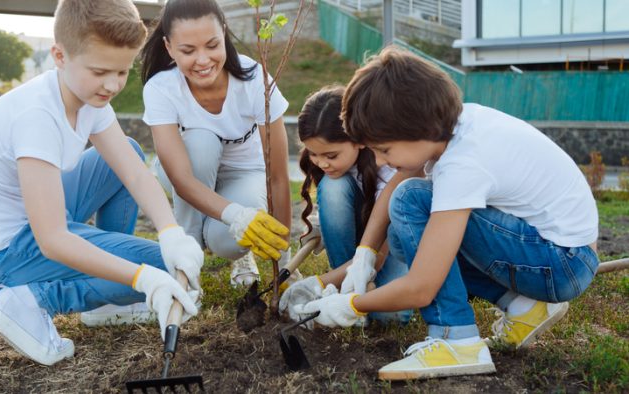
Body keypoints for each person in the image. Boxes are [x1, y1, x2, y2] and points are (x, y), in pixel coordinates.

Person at [289, 47, 599, 380]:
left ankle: (456, 338)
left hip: (562, 262)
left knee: (412, 202)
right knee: (399, 228)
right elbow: (396, 185)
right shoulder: (456, 126)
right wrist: (365, 254)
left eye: (384, 149)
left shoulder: (462, 164)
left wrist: (350, 305)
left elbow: (422, 286)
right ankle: (523, 305)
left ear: (413, 128)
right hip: (561, 255)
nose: (379, 161)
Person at [0, 0, 202, 366]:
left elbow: (132, 171)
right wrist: (142, 279)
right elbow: (53, 240)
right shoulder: (37, 116)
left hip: (32, 221)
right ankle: (32, 299)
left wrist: (170, 232)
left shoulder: (89, 98)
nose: (113, 85)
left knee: (128, 153)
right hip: (0, 253)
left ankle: (101, 303)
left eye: (122, 72)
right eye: (101, 71)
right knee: (167, 274)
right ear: (59, 55)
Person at [140, 0, 292, 287]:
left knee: (229, 242)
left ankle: (239, 256)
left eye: (212, 45)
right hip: (188, 171)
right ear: (169, 48)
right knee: (200, 141)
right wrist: (235, 215)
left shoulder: (255, 81)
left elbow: (279, 177)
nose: (203, 60)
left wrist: (283, 259)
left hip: (244, 175)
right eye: (188, 50)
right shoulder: (161, 88)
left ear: (224, 33)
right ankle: (187, 259)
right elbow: (181, 178)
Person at [278, 86, 411, 326]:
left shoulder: (390, 167)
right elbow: (339, 192)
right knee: (333, 185)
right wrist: (325, 219)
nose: (321, 163)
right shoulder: (333, 170)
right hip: (360, 241)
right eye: (314, 154)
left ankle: (344, 286)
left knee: (389, 318)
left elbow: (377, 257)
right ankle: (343, 287)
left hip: (393, 242)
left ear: (359, 141)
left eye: (331, 155)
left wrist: (317, 283)